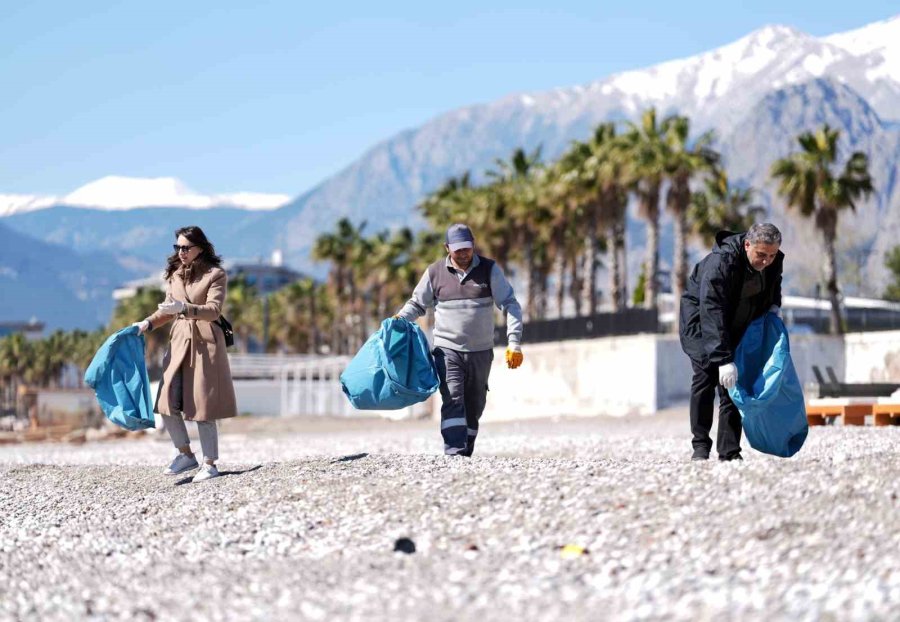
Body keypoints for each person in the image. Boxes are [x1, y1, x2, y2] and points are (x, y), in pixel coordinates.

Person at [394, 223, 524, 456]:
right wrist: (400, 319)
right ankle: (454, 452)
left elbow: (510, 304)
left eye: (467, 248)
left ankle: (466, 450)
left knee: (475, 405)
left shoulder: (489, 269)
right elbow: (417, 304)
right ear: (447, 248)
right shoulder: (434, 272)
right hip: (447, 350)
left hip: (481, 351)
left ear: (473, 246)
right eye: (458, 250)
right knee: (453, 397)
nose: (463, 254)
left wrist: (514, 342)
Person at [133, 226, 238, 481]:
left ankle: (210, 464)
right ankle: (185, 454)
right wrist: (146, 324)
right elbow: (168, 311)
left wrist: (186, 308)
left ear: (199, 248)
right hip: (179, 341)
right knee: (166, 402)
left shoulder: (216, 275)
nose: (181, 252)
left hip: (204, 344)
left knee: (203, 405)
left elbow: (213, 311)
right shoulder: (175, 275)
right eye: (177, 247)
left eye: (185, 247)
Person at [679, 222, 784, 462]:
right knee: (706, 375)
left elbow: (773, 283)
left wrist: (774, 305)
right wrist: (723, 359)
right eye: (761, 255)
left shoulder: (772, 259)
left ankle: (729, 452)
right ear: (747, 245)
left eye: (771, 255)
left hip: (739, 320)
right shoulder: (721, 263)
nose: (766, 261)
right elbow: (711, 309)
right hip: (701, 321)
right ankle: (700, 446)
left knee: (733, 385)